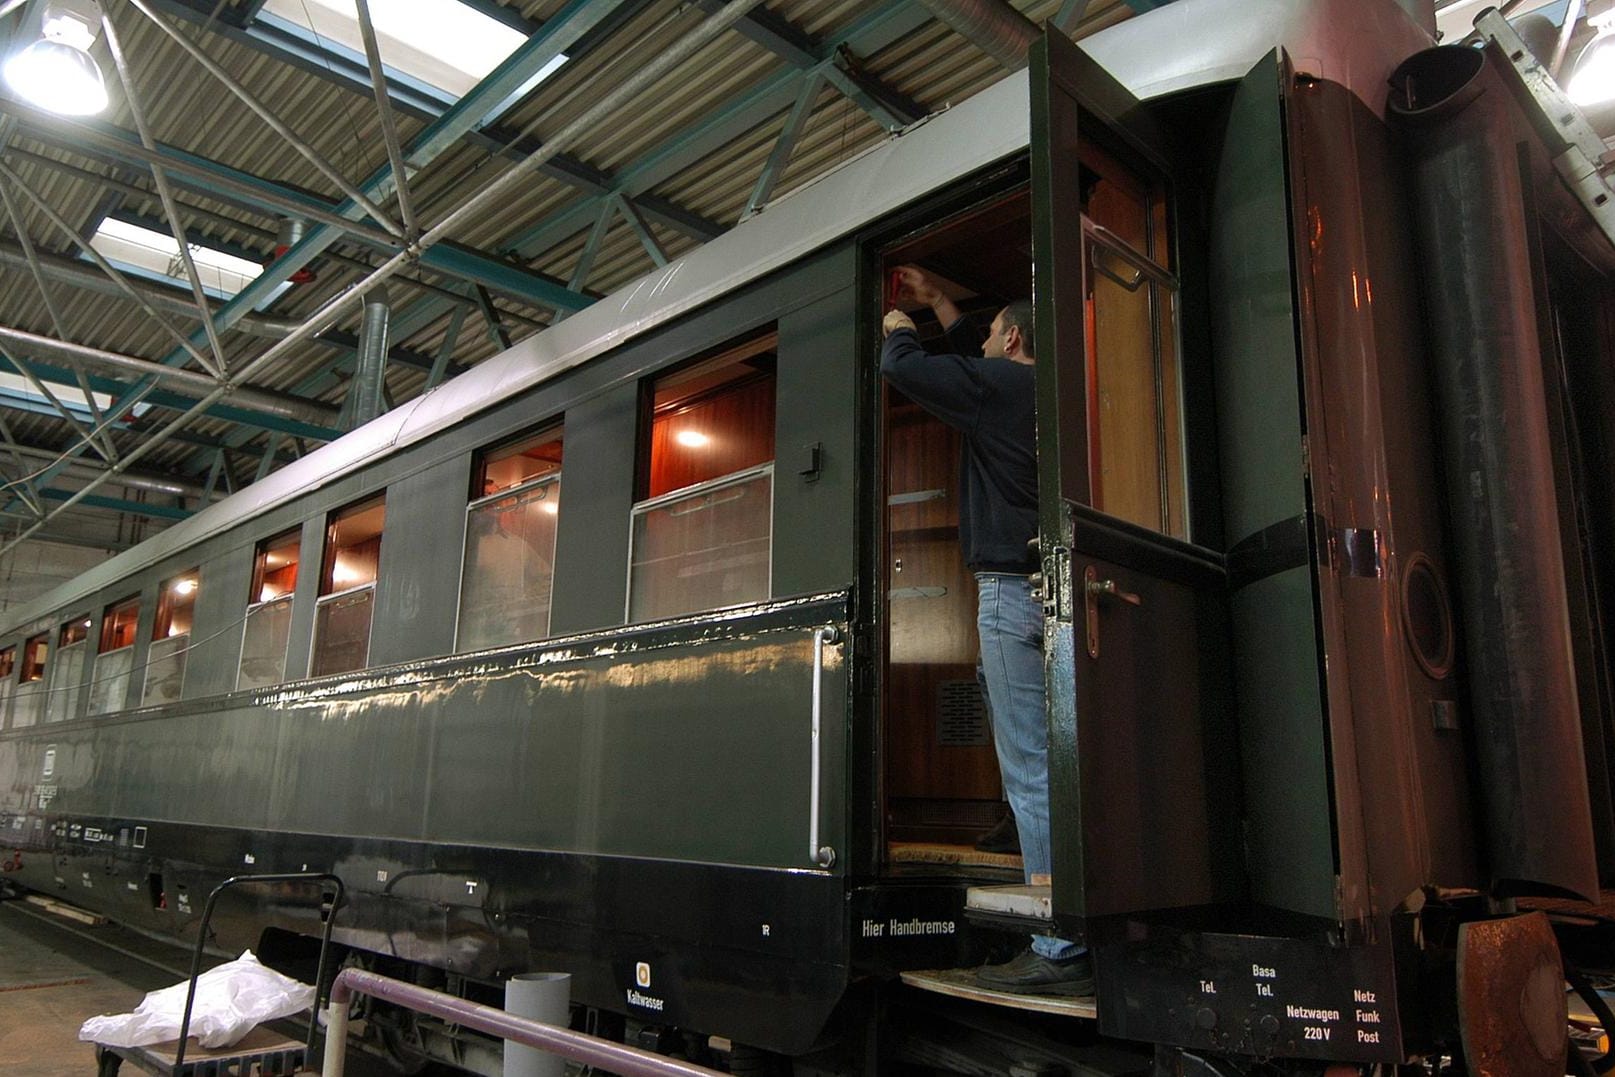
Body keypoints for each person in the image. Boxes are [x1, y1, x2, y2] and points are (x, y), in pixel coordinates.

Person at [880, 265, 1089, 996]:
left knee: (1030, 769)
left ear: (1016, 338)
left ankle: (1059, 941)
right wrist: (943, 299)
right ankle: (1058, 891)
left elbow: (906, 370)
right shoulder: (1051, 396)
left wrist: (900, 324)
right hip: (1058, 588)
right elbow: (973, 360)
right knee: (1048, 757)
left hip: (1008, 591)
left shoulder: (997, 387)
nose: (987, 342)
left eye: (995, 332)